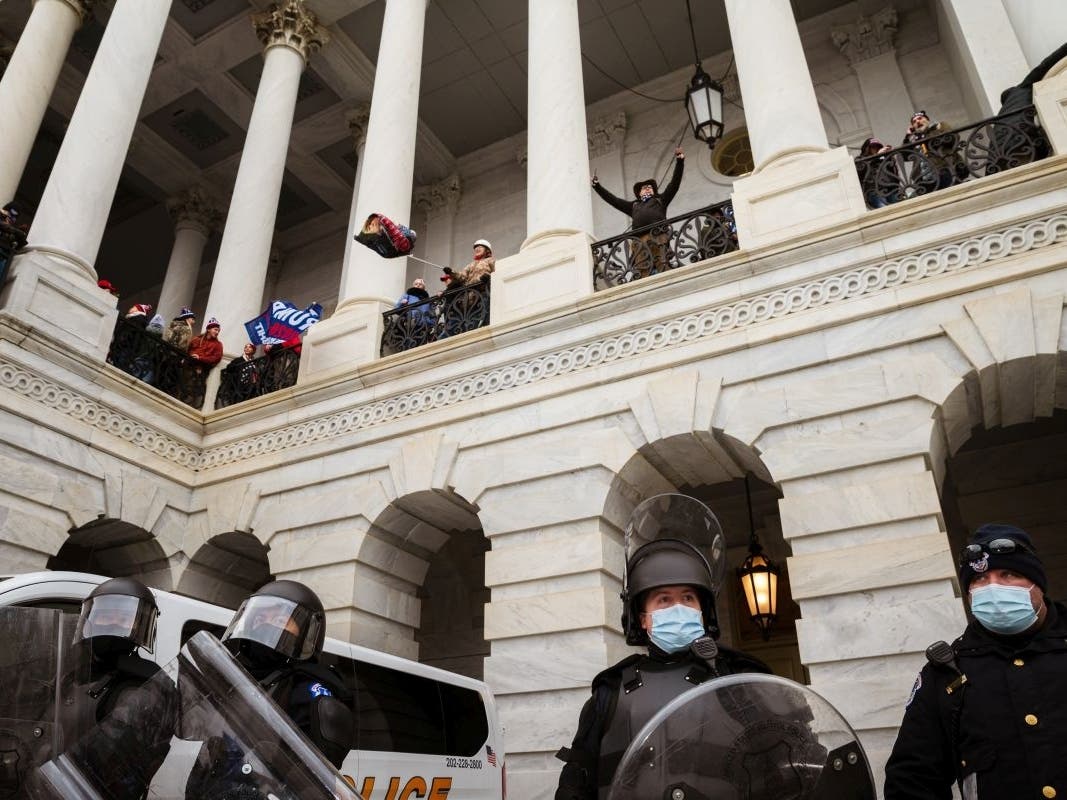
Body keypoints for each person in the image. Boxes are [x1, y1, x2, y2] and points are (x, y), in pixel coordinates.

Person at [554, 494, 770, 800]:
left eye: (688, 598)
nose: (678, 607)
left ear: (702, 610)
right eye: (664, 600)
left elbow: (790, 767)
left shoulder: (739, 677)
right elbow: (576, 786)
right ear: (643, 619)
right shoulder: (610, 690)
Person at [884, 524, 1067, 800]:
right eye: (980, 580)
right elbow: (912, 779)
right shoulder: (946, 674)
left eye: (1009, 574)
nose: (993, 588)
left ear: (1037, 584)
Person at [186, 580, 353, 797]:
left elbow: (309, 780)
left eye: (281, 619)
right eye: (261, 617)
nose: (268, 623)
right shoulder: (234, 676)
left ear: (306, 632)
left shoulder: (308, 689)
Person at [41, 578, 178, 798]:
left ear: (138, 625)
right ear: (89, 619)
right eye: (106, 615)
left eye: (124, 617)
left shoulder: (143, 688)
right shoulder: (75, 674)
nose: (113, 622)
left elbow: (111, 767)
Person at [592, 148, 685, 280]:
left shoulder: (660, 200)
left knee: (662, 265)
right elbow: (614, 200)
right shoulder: (633, 205)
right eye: (643, 188)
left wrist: (680, 161)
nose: (647, 188)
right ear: (639, 193)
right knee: (643, 269)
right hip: (639, 240)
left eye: (649, 187)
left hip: (658, 235)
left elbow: (674, 184)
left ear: (654, 191)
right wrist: (597, 187)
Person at [901, 110, 965, 190]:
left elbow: (953, 138)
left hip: (944, 169)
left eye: (920, 118)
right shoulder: (913, 140)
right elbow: (903, 156)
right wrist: (907, 137)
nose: (917, 121)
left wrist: (925, 136)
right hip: (923, 180)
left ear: (927, 120)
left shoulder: (939, 126)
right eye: (914, 121)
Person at [856, 137, 896, 209]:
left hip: (890, 189)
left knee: (899, 208)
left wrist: (889, 157)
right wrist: (876, 157)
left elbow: (894, 173)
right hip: (874, 191)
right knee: (884, 210)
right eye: (873, 147)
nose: (876, 148)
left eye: (878, 146)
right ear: (867, 148)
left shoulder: (882, 158)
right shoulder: (860, 159)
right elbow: (860, 170)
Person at [217, 342, 260, 406]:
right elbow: (229, 368)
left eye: (249, 347)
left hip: (251, 385)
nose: (247, 349)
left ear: (253, 350)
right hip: (240, 384)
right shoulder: (238, 360)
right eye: (246, 347)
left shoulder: (254, 362)